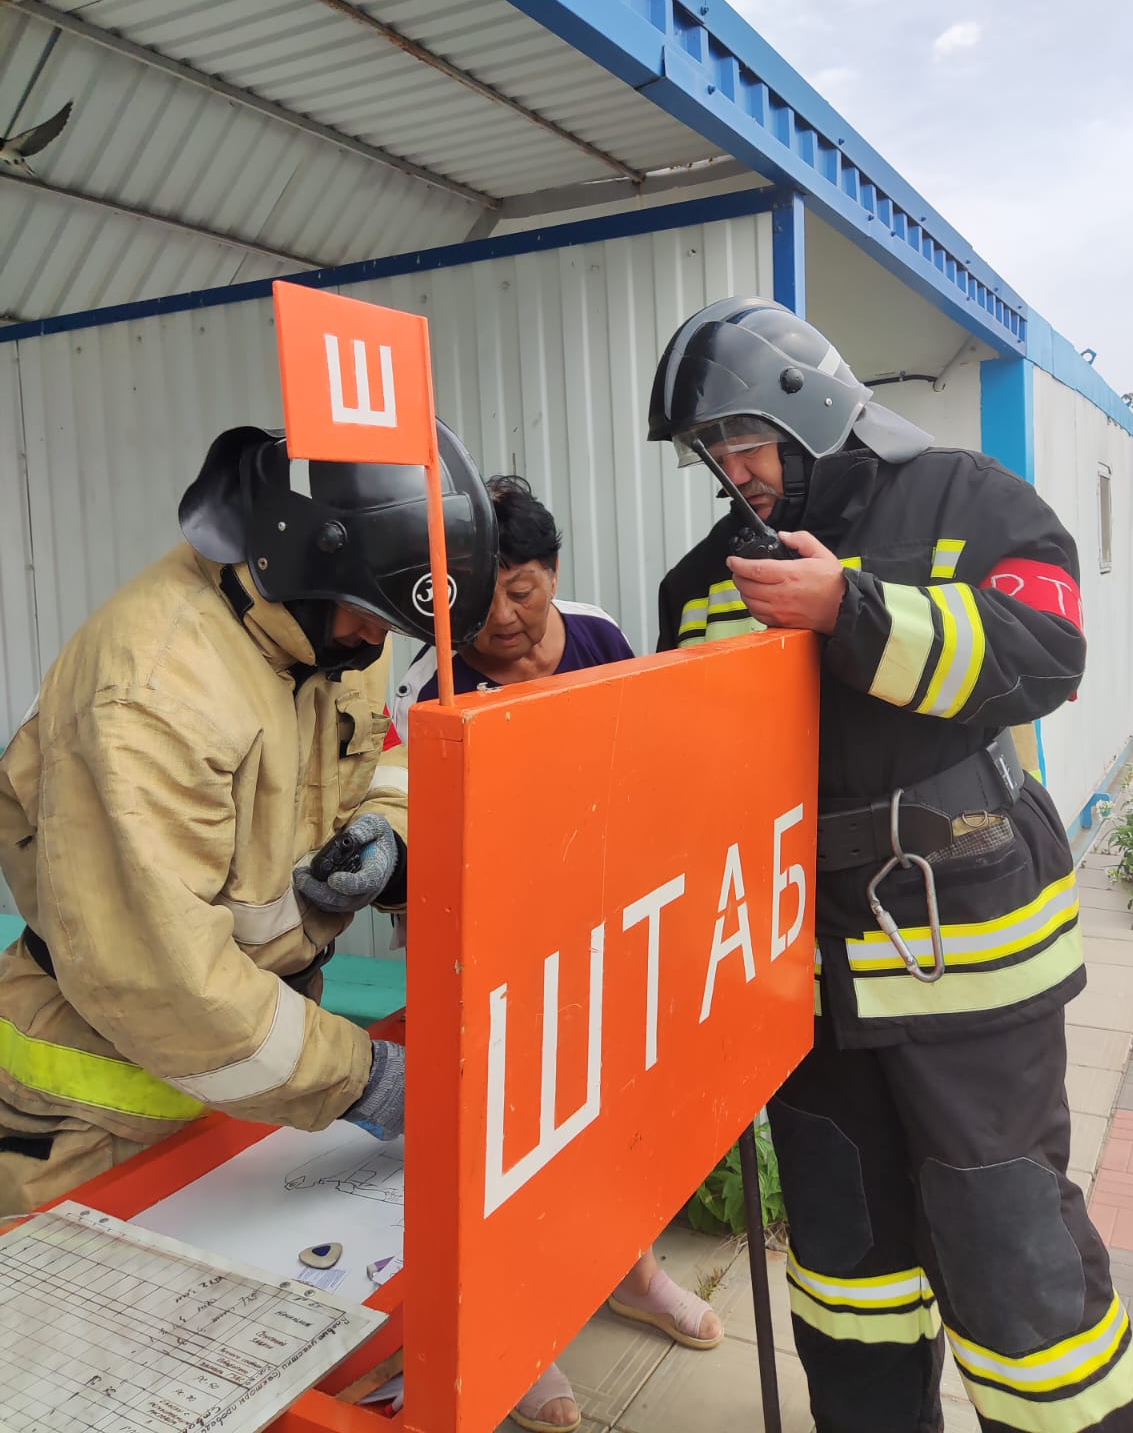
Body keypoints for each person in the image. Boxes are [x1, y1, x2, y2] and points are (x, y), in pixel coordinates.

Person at [649, 297, 1133, 1433]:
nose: (732, 472)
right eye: (709, 452)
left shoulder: (971, 501)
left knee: (1013, 1257)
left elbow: (1048, 658)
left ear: (808, 406)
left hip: (965, 958)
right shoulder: (705, 581)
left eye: (742, 440)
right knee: (848, 1268)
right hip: (808, 987)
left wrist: (853, 610)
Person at [0, 421, 498, 1216]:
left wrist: (389, 838)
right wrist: (359, 1077)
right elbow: (166, 982)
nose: (379, 639)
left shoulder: (332, 634)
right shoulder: (151, 693)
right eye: (368, 613)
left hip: (254, 1070)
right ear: (300, 559)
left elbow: (382, 759)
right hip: (97, 1116)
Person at [396, 474, 723, 1433]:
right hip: (491, 953)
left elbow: (649, 759)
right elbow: (415, 846)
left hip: (608, 925)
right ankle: (523, 1335)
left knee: (621, 1108)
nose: (503, 617)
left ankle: (635, 1275)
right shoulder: (423, 683)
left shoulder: (599, 635)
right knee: (508, 1138)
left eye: (523, 589)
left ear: (551, 573)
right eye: (479, 595)